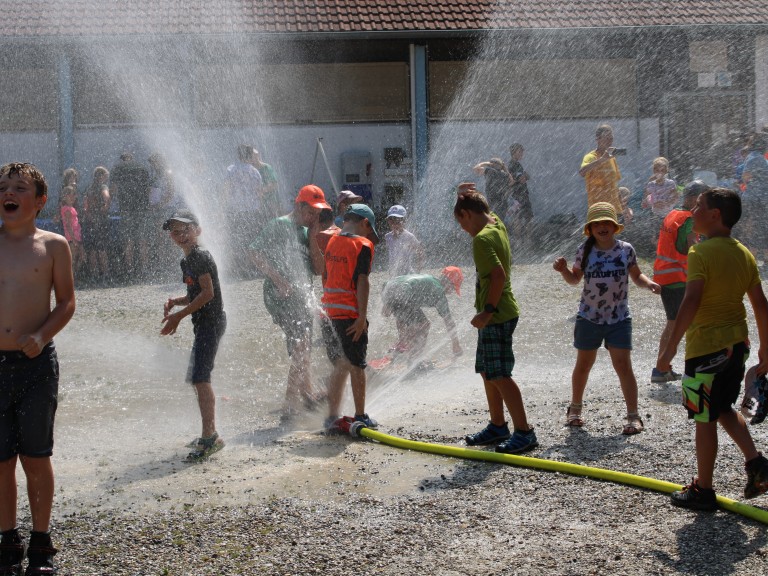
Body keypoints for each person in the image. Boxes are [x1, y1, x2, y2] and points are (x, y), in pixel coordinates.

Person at [659, 188, 768, 510]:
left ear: (714, 215)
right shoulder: (743, 253)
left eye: (698, 207)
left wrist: (669, 350)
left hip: (705, 349)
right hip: (738, 347)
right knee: (722, 407)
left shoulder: (701, 254)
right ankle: (757, 464)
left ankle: (703, 489)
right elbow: (761, 304)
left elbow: (691, 301)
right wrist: (766, 349)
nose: (692, 211)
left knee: (703, 418)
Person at [0, 162, 76, 575]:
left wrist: (42, 335)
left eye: (19, 188)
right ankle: (7, 538)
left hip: (35, 365)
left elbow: (66, 302)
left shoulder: (53, 245)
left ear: (39, 200)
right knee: (0, 461)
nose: (9, 193)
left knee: (35, 456)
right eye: (3, 187)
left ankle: (41, 542)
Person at [553, 202, 660, 434]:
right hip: (589, 317)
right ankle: (575, 409)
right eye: (597, 223)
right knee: (584, 364)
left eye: (607, 222)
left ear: (615, 226)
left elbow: (637, 275)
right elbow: (574, 280)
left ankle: (633, 416)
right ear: (590, 228)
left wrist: (649, 284)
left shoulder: (626, 249)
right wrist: (563, 270)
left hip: (619, 318)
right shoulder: (585, 250)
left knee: (623, 366)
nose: (603, 227)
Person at [453, 183, 538, 454]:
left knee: (500, 374)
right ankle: (497, 426)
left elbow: (498, 275)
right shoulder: (496, 222)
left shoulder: (481, 240)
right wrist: (462, 195)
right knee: (487, 371)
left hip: (497, 315)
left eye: (461, 222)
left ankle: (524, 432)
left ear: (467, 214)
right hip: (499, 314)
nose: (463, 229)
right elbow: (483, 207)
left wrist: (487, 311)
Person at [250, 185, 328, 417]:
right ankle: (289, 403)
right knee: (302, 347)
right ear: (298, 206)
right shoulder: (279, 225)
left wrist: (314, 236)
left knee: (303, 347)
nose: (314, 217)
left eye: (318, 213)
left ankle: (307, 393)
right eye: (311, 212)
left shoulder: (307, 233)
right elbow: (254, 252)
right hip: (281, 297)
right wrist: (278, 279)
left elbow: (318, 269)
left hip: (301, 298)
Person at [160, 210, 227, 462]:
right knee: (197, 377)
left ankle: (211, 437)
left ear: (197, 230)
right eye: (175, 231)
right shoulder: (186, 261)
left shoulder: (199, 256)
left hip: (211, 323)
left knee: (201, 377)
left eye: (185, 229)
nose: (180, 235)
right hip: (204, 323)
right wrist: (177, 303)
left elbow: (208, 294)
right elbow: (196, 293)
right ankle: (208, 433)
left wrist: (179, 316)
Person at [321, 204, 379, 431]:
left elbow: (325, 276)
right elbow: (362, 281)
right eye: (369, 229)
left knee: (340, 365)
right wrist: (362, 318)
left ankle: (332, 418)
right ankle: (360, 415)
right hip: (349, 315)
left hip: (328, 314)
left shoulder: (332, 241)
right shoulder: (362, 245)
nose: (369, 234)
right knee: (357, 365)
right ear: (365, 223)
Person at [650, 180, 707, 382]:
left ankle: (663, 368)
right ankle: (661, 368)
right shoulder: (689, 219)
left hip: (666, 277)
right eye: (703, 200)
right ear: (693, 199)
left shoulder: (673, 214)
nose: (704, 206)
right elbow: (691, 248)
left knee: (673, 324)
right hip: (679, 279)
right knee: (676, 325)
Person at [381, 267, 463, 365]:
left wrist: (388, 302)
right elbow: (449, 321)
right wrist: (456, 344)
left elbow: (396, 285)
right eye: (453, 288)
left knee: (403, 314)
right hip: (402, 291)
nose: (451, 292)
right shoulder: (438, 292)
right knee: (424, 324)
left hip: (388, 288)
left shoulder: (429, 281)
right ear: (449, 284)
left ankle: (402, 343)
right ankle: (415, 359)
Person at [109, 152, 151, 276]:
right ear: (132, 158)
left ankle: (130, 270)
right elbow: (148, 189)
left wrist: (114, 200)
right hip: (141, 208)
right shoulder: (142, 167)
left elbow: (114, 189)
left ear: (122, 160)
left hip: (126, 208)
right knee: (142, 239)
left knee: (128, 239)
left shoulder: (117, 168)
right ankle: (144, 269)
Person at [224, 145, 264, 274]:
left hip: (235, 211)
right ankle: (250, 268)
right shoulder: (255, 172)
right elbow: (259, 193)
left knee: (235, 239)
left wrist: (222, 207)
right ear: (250, 156)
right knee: (250, 240)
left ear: (239, 155)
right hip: (252, 211)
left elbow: (226, 190)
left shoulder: (230, 170)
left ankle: (238, 269)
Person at [579, 124, 625, 216]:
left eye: (611, 138)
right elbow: (582, 172)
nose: (610, 141)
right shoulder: (591, 157)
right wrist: (601, 160)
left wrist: (625, 208)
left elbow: (615, 186)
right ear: (598, 139)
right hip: (598, 209)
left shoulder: (612, 159)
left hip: (615, 210)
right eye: (606, 138)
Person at [741, 133, 768, 265]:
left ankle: (752, 259)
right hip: (763, 197)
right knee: (762, 227)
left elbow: (745, 177)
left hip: (753, 197)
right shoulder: (763, 159)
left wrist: (750, 182)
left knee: (751, 228)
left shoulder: (752, 158)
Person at [82, 166, 111, 283]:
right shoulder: (103, 186)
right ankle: (105, 274)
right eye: (106, 176)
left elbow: (85, 205)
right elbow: (107, 197)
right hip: (101, 221)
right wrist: (105, 207)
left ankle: (94, 275)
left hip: (91, 221)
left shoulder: (89, 188)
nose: (106, 178)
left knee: (93, 249)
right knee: (102, 248)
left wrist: (89, 214)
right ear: (102, 176)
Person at [384, 205, 424, 277]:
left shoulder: (409, 237)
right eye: (391, 221)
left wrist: (418, 270)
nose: (394, 224)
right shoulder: (388, 237)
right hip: (393, 274)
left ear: (404, 221)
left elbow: (420, 252)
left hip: (407, 274)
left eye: (397, 221)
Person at [507, 143, 534, 242]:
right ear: (514, 153)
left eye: (522, 151)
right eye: (520, 151)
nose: (522, 153)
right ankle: (521, 243)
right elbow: (521, 179)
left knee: (527, 218)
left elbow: (524, 177)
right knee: (518, 219)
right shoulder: (511, 165)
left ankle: (526, 242)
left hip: (522, 195)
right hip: (517, 196)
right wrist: (524, 177)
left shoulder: (518, 164)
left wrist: (525, 176)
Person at [59, 185, 86, 283]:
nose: (74, 197)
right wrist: (74, 239)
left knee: (79, 257)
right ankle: (70, 279)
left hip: (76, 236)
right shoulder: (66, 208)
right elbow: (68, 225)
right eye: (72, 195)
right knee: (73, 260)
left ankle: (72, 277)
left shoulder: (71, 207)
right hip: (72, 237)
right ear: (66, 196)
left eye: (74, 195)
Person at [253, 148, 280, 219]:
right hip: (258, 205)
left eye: (254, 156)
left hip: (270, 203)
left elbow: (275, 184)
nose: (253, 159)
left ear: (257, 156)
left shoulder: (266, 168)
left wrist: (262, 191)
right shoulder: (251, 169)